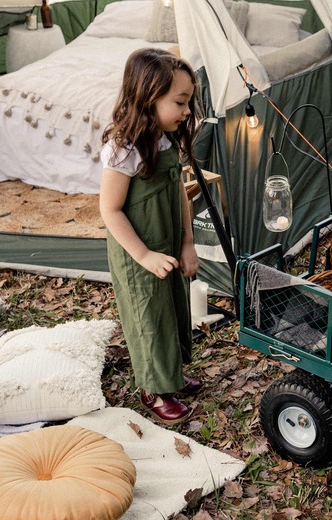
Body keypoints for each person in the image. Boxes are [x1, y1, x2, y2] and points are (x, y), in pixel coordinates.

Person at [100, 48, 202, 424]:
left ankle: (170, 374)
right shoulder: (124, 149)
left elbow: (179, 192)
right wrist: (143, 255)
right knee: (149, 318)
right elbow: (109, 210)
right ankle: (153, 387)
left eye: (188, 101)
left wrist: (187, 242)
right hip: (138, 252)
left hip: (167, 243)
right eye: (180, 102)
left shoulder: (165, 137)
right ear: (147, 97)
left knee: (171, 309)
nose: (187, 111)